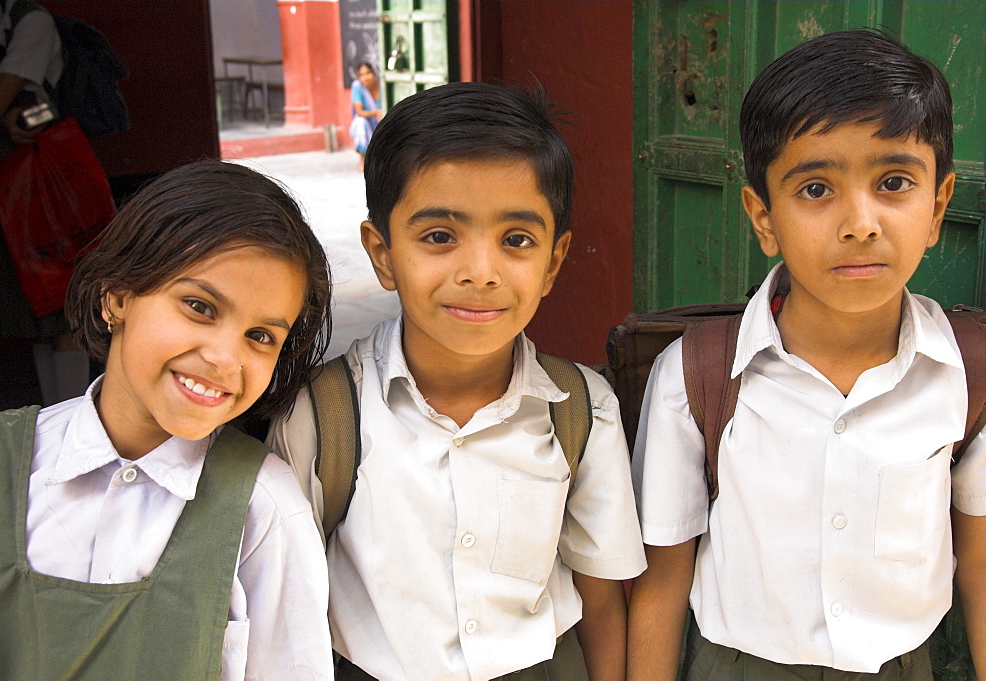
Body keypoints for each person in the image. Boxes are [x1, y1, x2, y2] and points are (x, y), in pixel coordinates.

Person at [628, 29, 986, 681]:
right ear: (763, 218)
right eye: (816, 189)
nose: (860, 222)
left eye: (895, 181)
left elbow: (983, 569)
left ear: (937, 209)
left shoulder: (972, 374)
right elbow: (661, 580)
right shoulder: (697, 376)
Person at [269, 82, 646, 681]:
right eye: (439, 236)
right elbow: (280, 602)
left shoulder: (579, 411)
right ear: (383, 252)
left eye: (516, 241)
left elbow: (602, 599)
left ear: (553, 260)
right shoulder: (324, 414)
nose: (480, 272)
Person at [0, 160, 336, 680]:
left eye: (261, 337)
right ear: (117, 296)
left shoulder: (262, 507)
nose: (225, 359)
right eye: (199, 306)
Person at [0, 0, 90, 408]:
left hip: (39, 182)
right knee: (34, 308)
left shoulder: (31, 22)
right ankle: (53, 413)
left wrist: (2, 118)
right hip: (5, 186)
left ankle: (72, 413)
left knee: (60, 303)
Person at [348, 61, 381, 171]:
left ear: (374, 74)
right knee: (361, 122)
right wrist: (376, 112)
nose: (365, 78)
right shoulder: (358, 87)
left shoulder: (382, 85)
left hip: (381, 120)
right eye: (361, 75)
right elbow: (359, 112)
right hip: (367, 122)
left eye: (368, 73)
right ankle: (362, 159)